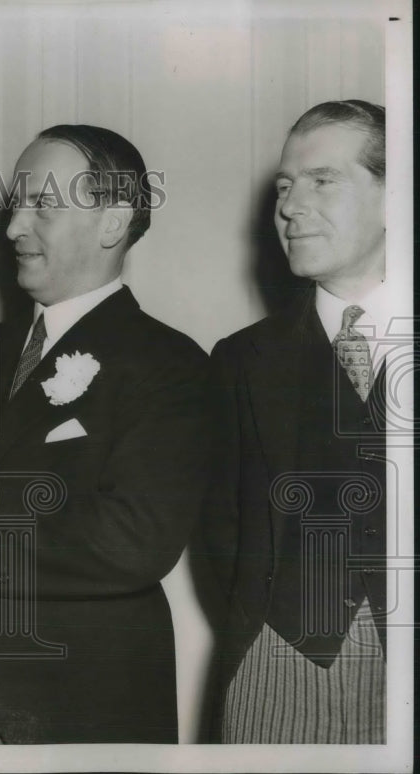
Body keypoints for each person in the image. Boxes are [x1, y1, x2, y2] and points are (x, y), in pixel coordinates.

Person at [0, 124, 210, 743]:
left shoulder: (171, 364)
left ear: (113, 222)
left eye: (43, 206)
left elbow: (134, 542)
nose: (12, 229)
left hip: (73, 697)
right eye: (16, 206)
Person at [200, 100, 390, 743]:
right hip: (277, 671)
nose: (289, 205)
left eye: (323, 180)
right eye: (284, 186)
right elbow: (218, 536)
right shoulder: (238, 361)